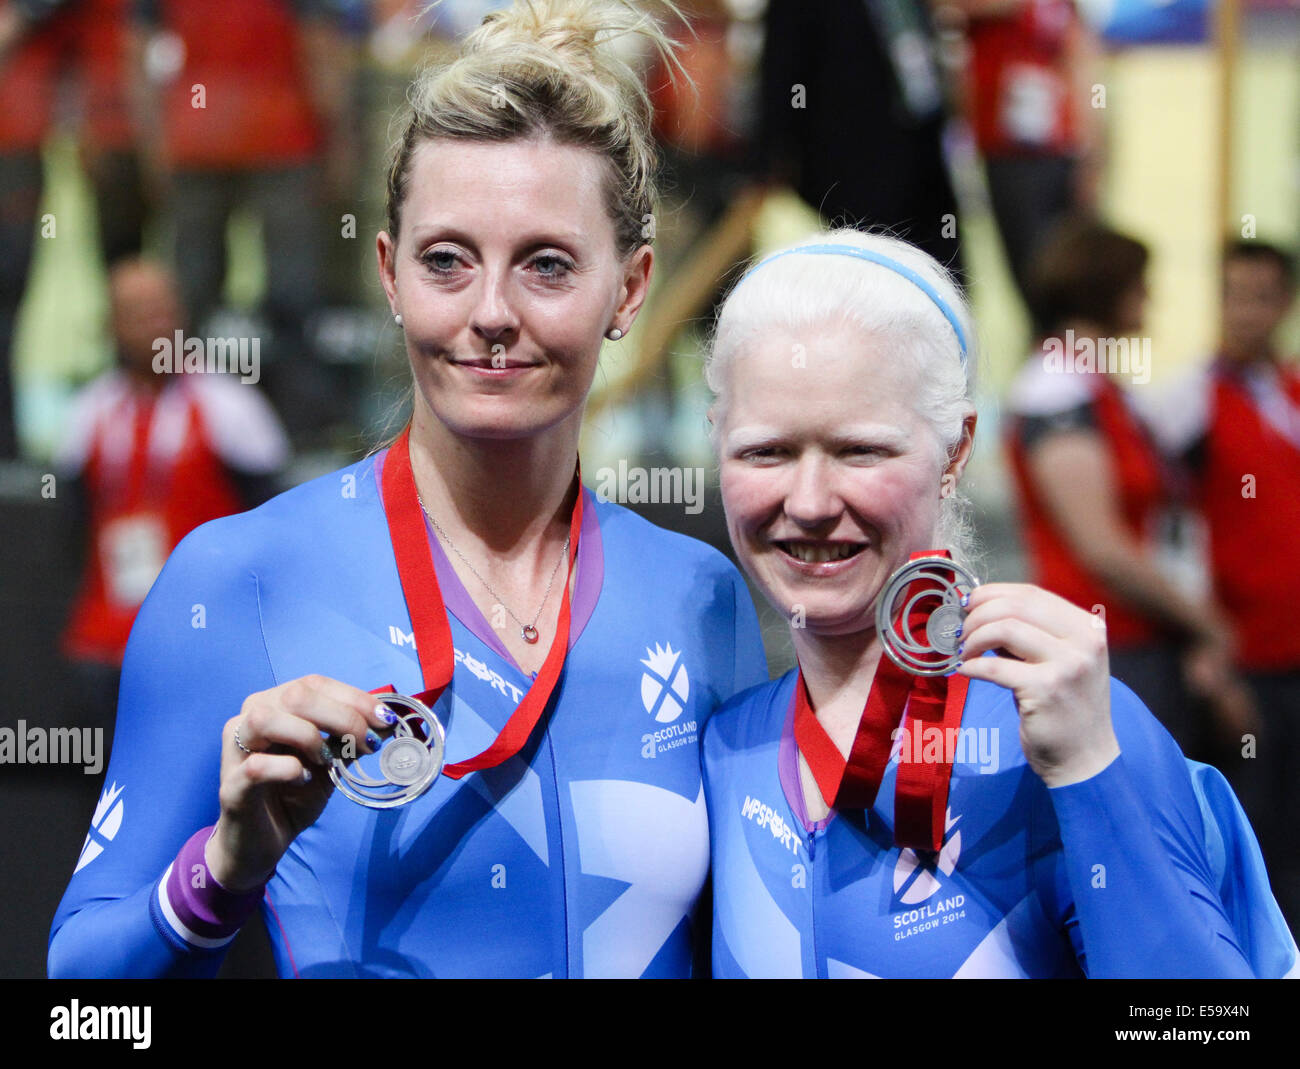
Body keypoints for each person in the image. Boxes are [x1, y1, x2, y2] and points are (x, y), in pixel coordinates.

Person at [49, 0, 767, 979]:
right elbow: (80, 1006)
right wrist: (217, 875)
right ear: (389, 275)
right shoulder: (237, 578)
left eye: (547, 265)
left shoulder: (700, 595)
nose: (491, 314)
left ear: (630, 290)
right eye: (446, 261)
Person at [699, 228, 1295, 977]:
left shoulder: (1079, 731)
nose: (811, 501)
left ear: (955, 451)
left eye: (861, 450)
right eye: (766, 451)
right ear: (716, 443)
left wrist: (1093, 777)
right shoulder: (721, 747)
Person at [1004, 218, 1254, 757]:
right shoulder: (1056, 391)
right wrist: (1208, 624)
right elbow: (1103, 548)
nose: (1151, 299)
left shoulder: (1100, 388)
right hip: (1101, 644)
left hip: (1137, 642)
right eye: (1141, 285)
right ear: (1107, 290)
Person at [56, 258, 290, 737]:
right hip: (109, 638)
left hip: (209, 641)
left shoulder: (230, 405)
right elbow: (72, 529)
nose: (154, 324)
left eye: (162, 309)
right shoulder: (88, 414)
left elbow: (271, 526)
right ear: (110, 324)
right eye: (137, 311)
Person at [1150, 239, 1300, 935]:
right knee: (1255, 842)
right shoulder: (1188, 403)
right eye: (1235, 294)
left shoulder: (1292, 394)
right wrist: (1205, 652)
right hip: (1246, 660)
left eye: (1263, 296)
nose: (1247, 311)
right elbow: (1165, 533)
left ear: (1286, 304)